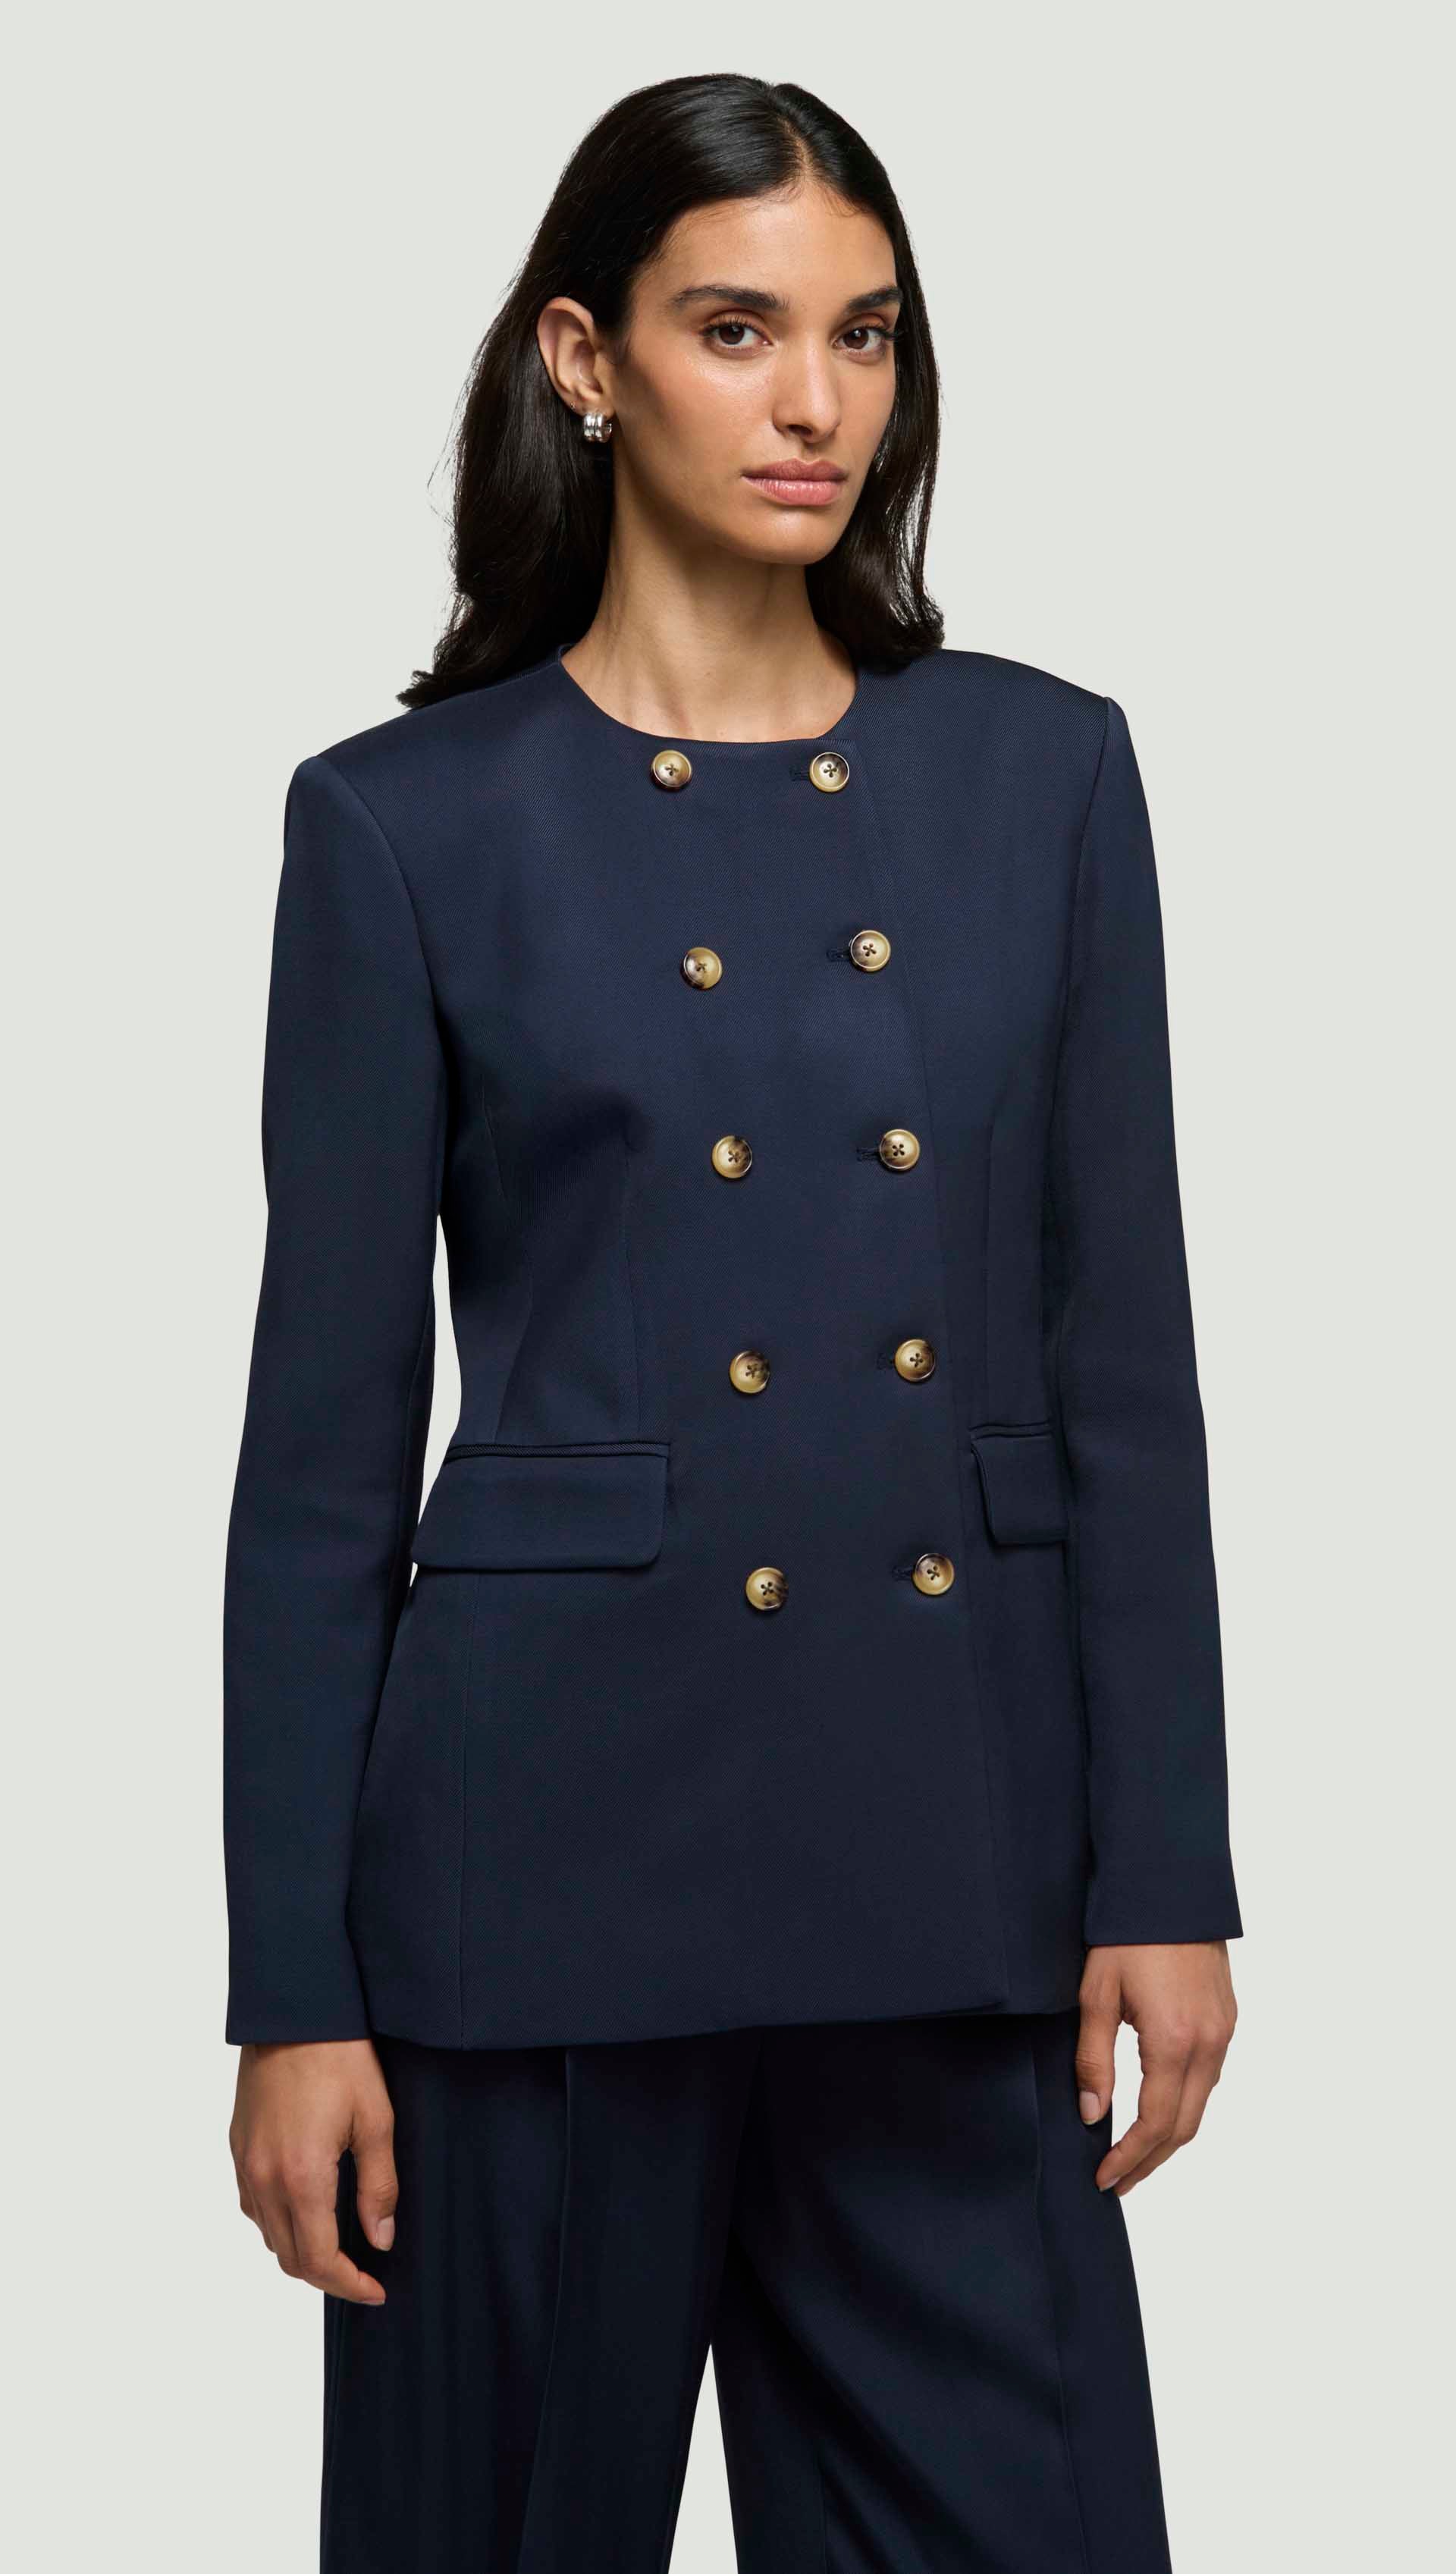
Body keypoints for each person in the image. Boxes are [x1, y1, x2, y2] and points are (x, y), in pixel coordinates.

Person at [224, 70, 1240, 2573]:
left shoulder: (1041, 777)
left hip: (957, 1862)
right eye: (736, 328)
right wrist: (293, 1985)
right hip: (535, 1892)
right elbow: (324, 1465)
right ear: (586, 360)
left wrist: (1170, 1862)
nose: (816, 402)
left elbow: (1123, 1371)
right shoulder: (404, 823)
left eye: (864, 335)